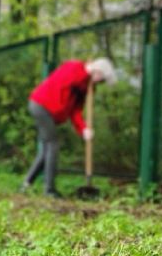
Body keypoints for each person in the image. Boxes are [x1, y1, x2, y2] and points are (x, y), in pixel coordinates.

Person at [23, 57, 116, 197]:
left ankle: (26, 184)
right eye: (101, 78)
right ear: (97, 71)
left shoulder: (86, 87)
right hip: (41, 105)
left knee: (45, 150)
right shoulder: (74, 67)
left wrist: (83, 129)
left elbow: (75, 110)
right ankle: (49, 190)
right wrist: (87, 72)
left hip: (49, 111)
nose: (99, 82)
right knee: (53, 145)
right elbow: (67, 82)